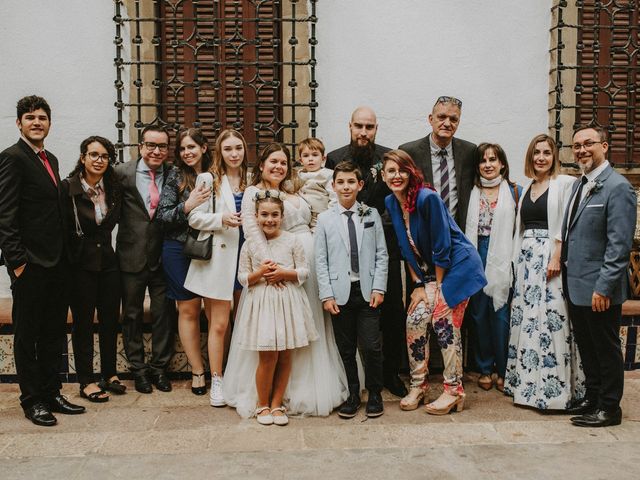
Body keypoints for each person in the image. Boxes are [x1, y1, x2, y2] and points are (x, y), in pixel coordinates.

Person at [224, 143, 348, 417]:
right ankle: (267, 398)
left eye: (283, 162)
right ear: (262, 165)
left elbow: (315, 218)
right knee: (276, 330)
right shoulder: (254, 193)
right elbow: (253, 231)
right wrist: (271, 268)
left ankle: (308, 387)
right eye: (273, 162)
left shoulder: (293, 190)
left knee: (307, 324)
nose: (278, 167)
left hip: (307, 261)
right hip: (276, 268)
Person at [0, 95, 85, 426]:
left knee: (52, 332)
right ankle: (31, 399)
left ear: (49, 124)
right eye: (30, 117)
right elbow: (5, 216)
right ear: (19, 123)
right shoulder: (12, 158)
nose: (37, 122)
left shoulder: (49, 158)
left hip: (57, 263)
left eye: (42, 118)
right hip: (30, 266)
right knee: (27, 334)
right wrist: (18, 263)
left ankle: (51, 393)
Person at [382, 149, 486, 415]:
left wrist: (438, 288)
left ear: (411, 172)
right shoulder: (392, 202)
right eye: (390, 171)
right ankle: (419, 385)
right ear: (383, 176)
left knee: (443, 320)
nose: (396, 176)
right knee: (415, 320)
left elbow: (442, 245)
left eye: (401, 170)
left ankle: (454, 391)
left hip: (458, 267)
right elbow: (406, 248)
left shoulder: (427, 198)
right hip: (430, 275)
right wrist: (419, 285)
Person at [326, 106, 407, 398]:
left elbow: (398, 198)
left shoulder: (389, 157)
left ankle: (391, 373)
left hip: (387, 245)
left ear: (376, 129)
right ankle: (356, 377)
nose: (364, 132)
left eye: (369, 127)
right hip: (348, 252)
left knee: (393, 311)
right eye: (359, 126)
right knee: (354, 314)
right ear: (350, 126)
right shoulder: (334, 159)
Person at [562, 126, 636, 427]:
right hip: (576, 284)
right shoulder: (580, 185)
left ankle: (609, 408)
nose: (581, 150)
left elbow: (619, 245)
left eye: (588, 144)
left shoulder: (618, 187)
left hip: (599, 288)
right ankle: (592, 398)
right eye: (576, 145)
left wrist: (603, 287)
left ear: (604, 146)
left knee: (605, 348)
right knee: (587, 346)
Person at [504, 134, 585, 410]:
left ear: (554, 157)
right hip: (527, 264)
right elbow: (521, 229)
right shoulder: (528, 187)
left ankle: (554, 391)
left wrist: (557, 255)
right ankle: (526, 386)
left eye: (546, 153)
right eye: (536, 152)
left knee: (552, 320)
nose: (541, 157)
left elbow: (567, 221)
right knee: (528, 320)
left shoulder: (563, 183)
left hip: (550, 261)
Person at [235, 190, 319, 425]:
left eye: (274, 215)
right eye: (264, 215)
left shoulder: (292, 241)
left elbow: (304, 271)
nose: (269, 220)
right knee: (268, 355)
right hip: (262, 304)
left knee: (285, 355)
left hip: (289, 303)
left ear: (282, 216)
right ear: (256, 216)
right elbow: (243, 278)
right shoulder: (251, 245)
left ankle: (277, 404)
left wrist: (285, 273)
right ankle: (262, 404)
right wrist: (261, 273)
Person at [315, 161, 389, 418]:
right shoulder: (324, 220)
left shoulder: (371, 214)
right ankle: (353, 394)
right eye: (340, 182)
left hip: (367, 290)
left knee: (371, 345)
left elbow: (382, 254)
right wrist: (326, 294)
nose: (345, 187)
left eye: (350, 182)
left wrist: (379, 287)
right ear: (333, 186)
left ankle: (375, 392)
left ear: (360, 185)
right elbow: (320, 260)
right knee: (345, 347)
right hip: (339, 293)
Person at [184, 129, 249, 407]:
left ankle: (241, 376)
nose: (234, 154)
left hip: (248, 257)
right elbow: (194, 218)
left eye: (238, 148)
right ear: (219, 153)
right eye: (228, 149)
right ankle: (218, 380)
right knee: (219, 324)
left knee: (245, 321)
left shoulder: (253, 178)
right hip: (221, 259)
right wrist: (221, 218)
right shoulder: (208, 179)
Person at [62, 136, 125, 403]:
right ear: (83, 158)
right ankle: (86, 380)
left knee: (110, 320)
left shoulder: (112, 188)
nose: (99, 160)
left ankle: (109, 374)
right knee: (84, 324)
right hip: (80, 266)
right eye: (93, 155)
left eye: (104, 156)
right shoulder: (68, 189)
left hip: (109, 264)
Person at [115, 125, 175, 394]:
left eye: (162, 146)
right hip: (131, 255)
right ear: (140, 146)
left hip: (164, 256)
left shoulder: (174, 174)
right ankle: (138, 369)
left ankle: (160, 368)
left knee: (164, 314)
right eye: (151, 145)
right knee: (132, 314)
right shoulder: (121, 173)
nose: (156, 151)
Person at [156, 128, 212, 396]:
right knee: (188, 309)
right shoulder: (175, 176)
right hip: (178, 249)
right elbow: (162, 216)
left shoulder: (217, 173)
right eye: (182, 148)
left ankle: (221, 370)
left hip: (214, 250)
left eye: (192, 147)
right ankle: (198, 371)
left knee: (215, 311)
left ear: (204, 147)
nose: (187, 152)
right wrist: (187, 205)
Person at [464, 143, 521, 392]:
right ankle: (485, 368)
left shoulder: (514, 191)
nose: (488, 164)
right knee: (478, 313)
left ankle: (502, 368)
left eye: (493, 160)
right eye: (484, 160)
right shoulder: (471, 191)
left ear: (502, 164)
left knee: (500, 314)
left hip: (502, 254)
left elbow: (519, 229)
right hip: (475, 252)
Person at [399, 95, 477, 229]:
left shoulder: (469, 152)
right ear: (431, 119)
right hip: (423, 231)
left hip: (457, 232)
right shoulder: (409, 152)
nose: (447, 123)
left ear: (458, 122)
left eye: (453, 119)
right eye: (442, 117)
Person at [296, 137, 336, 231]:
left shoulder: (327, 175)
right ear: (301, 160)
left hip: (320, 216)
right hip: (303, 215)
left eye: (315, 155)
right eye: (306, 156)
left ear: (323, 158)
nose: (310, 159)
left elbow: (334, 197)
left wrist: (329, 216)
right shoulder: (299, 175)